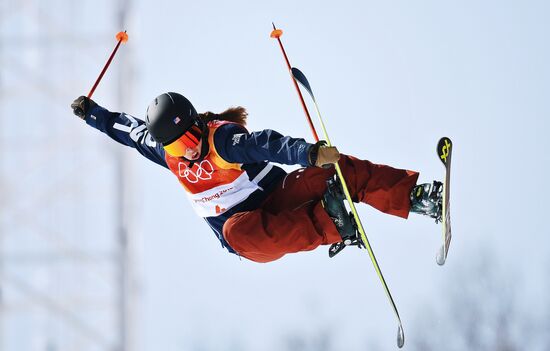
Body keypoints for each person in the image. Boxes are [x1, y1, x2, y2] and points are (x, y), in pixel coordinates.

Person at [71, 92, 442, 263]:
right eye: (177, 146)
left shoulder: (221, 139)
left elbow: (267, 145)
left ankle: (417, 198)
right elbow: (129, 131)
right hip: (247, 232)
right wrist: (92, 113)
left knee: (333, 170)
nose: (188, 150)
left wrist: (309, 154)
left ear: (196, 123)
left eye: (189, 138)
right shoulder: (169, 154)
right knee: (235, 232)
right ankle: (333, 223)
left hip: (279, 196)